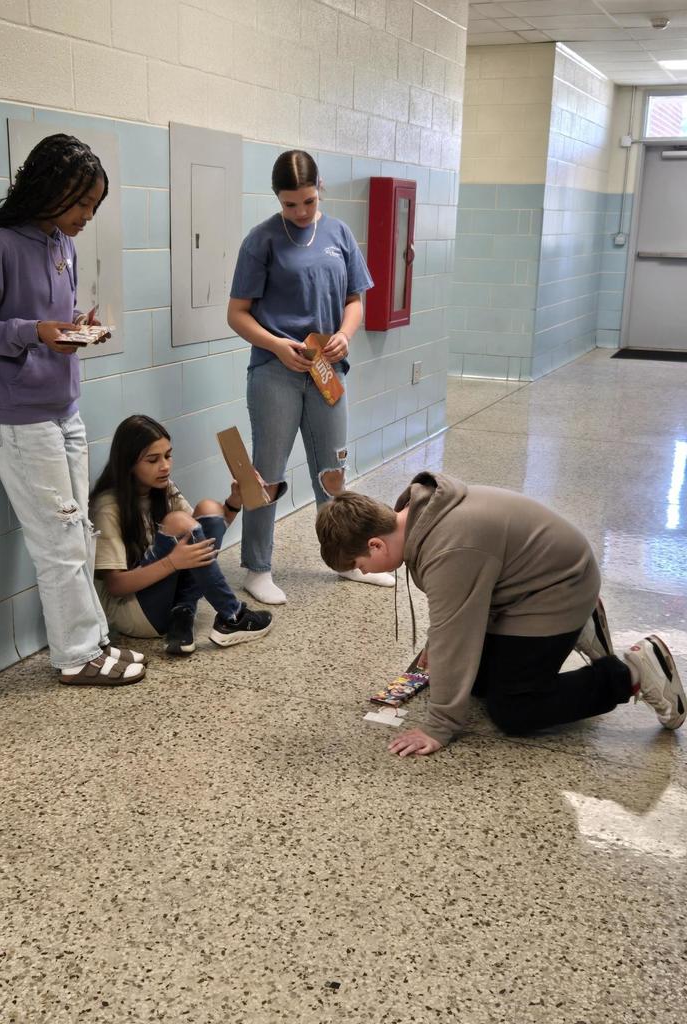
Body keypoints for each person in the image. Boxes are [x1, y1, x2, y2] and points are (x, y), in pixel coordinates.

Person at [0, 133, 146, 687]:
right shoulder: (0, 246)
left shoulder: (62, 243)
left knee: (77, 531)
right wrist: (34, 332)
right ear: (50, 189)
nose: (87, 216)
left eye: (94, 206)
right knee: (57, 541)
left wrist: (77, 328)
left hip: (63, 403)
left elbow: (52, 324)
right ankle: (76, 655)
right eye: (82, 203)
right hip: (18, 415)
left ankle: (94, 640)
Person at [316, 473, 686, 756]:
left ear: (375, 543)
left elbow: (455, 632)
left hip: (557, 589)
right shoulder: (419, 513)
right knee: (473, 683)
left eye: (359, 563)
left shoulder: (448, 548)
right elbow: (459, 607)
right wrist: (438, 649)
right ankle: (581, 625)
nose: (363, 572)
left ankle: (633, 673)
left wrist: (439, 726)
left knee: (514, 710)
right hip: (537, 580)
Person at [227, 149, 395, 606]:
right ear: (277, 200)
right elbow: (237, 314)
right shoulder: (260, 241)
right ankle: (257, 568)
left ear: (320, 187)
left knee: (333, 472)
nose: (300, 212)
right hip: (276, 372)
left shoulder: (339, 234)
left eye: (307, 201)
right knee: (268, 473)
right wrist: (277, 345)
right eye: (289, 204)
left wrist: (344, 333)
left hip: (327, 370)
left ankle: (347, 560)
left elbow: (355, 298)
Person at [90, 415, 273, 656]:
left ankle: (182, 615)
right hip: (133, 612)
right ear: (128, 464)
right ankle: (232, 614)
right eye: (153, 460)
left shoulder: (162, 488)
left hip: (164, 597)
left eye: (168, 455)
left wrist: (234, 503)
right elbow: (115, 586)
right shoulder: (108, 506)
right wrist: (172, 562)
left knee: (209, 508)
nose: (165, 466)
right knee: (178, 521)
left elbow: (203, 538)